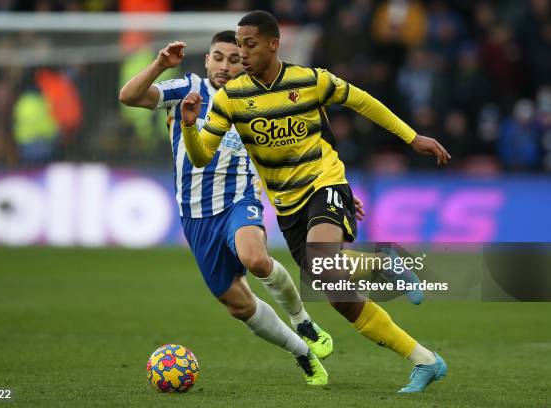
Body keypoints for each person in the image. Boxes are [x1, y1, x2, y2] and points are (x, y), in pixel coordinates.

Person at [180, 11, 451, 393]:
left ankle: (387, 261)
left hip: (324, 181)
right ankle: (425, 359)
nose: (241, 53)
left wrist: (412, 138)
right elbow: (201, 156)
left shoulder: (310, 80)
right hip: (287, 205)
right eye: (238, 45)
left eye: (249, 44)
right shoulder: (231, 99)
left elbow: (364, 102)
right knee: (337, 292)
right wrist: (190, 127)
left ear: (274, 44)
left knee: (322, 256)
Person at [119, 31, 332, 385]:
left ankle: (303, 320)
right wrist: (159, 64)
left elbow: (294, 148)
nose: (225, 66)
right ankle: (302, 352)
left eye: (234, 59)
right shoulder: (186, 89)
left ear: (245, 63)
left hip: (239, 200)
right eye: (218, 57)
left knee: (256, 258)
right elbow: (128, 96)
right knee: (239, 305)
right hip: (195, 216)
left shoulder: (256, 99)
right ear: (207, 60)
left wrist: (329, 184)